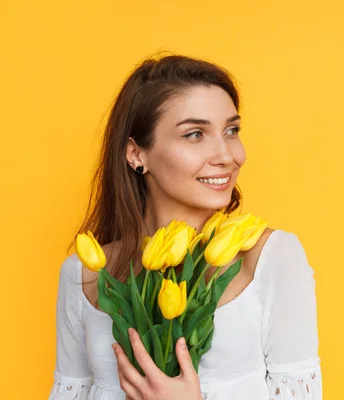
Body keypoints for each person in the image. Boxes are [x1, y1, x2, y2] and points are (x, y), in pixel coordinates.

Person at [49, 54, 322, 400]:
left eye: (231, 130)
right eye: (195, 134)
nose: (227, 154)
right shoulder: (83, 273)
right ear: (137, 154)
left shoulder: (271, 259)